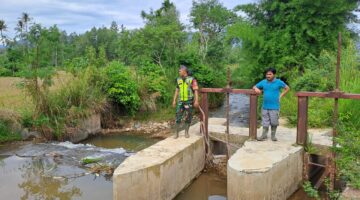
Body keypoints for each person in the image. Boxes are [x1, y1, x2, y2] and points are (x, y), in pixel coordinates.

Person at [253, 68, 290, 141]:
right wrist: (256, 89)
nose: (268, 76)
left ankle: (273, 136)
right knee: (265, 121)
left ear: (274, 74)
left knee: (274, 122)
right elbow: (254, 86)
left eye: (270, 74)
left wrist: (280, 96)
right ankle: (264, 135)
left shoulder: (278, 82)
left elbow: (287, 88)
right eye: (267, 74)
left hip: (274, 106)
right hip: (265, 106)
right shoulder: (263, 82)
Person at [172, 65, 199, 139]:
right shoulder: (178, 80)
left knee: (188, 117)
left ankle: (186, 132)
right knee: (178, 117)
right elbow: (177, 90)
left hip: (189, 102)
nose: (179, 71)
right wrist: (174, 100)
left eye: (180, 70)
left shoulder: (191, 79)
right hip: (180, 101)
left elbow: (196, 90)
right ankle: (176, 133)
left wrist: (196, 100)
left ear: (185, 71)